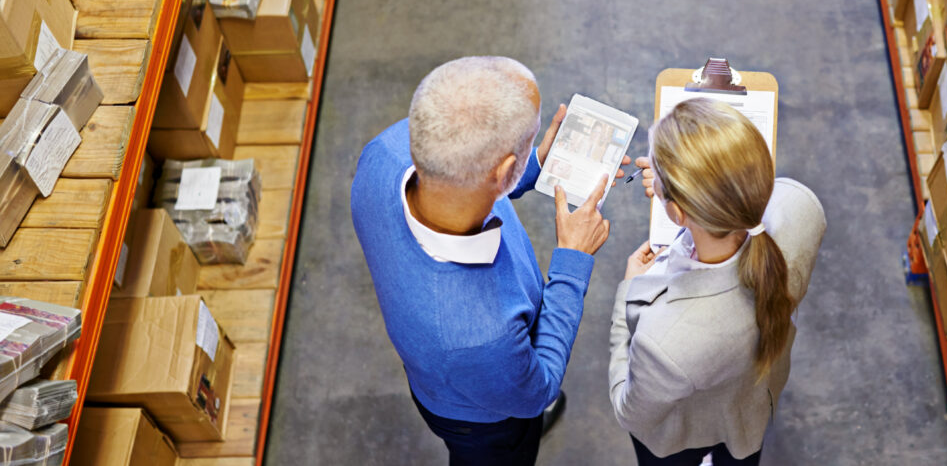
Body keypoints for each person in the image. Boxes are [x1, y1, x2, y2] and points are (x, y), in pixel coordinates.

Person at [351, 56, 623, 466]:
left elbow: (460, 182)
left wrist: (530, 167)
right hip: (482, 423)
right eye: (529, 144)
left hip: (451, 374)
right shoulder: (479, 337)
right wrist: (572, 261)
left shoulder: (384, 153)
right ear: (501, 172)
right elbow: (538, 390)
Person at [609, 98, 826, 466]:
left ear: (677, 212)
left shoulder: (665, 342)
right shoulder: (800, 208)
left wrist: (627, 296)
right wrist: (678, 191)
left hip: (687, 431)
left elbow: (630, 410)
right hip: (751, 406)